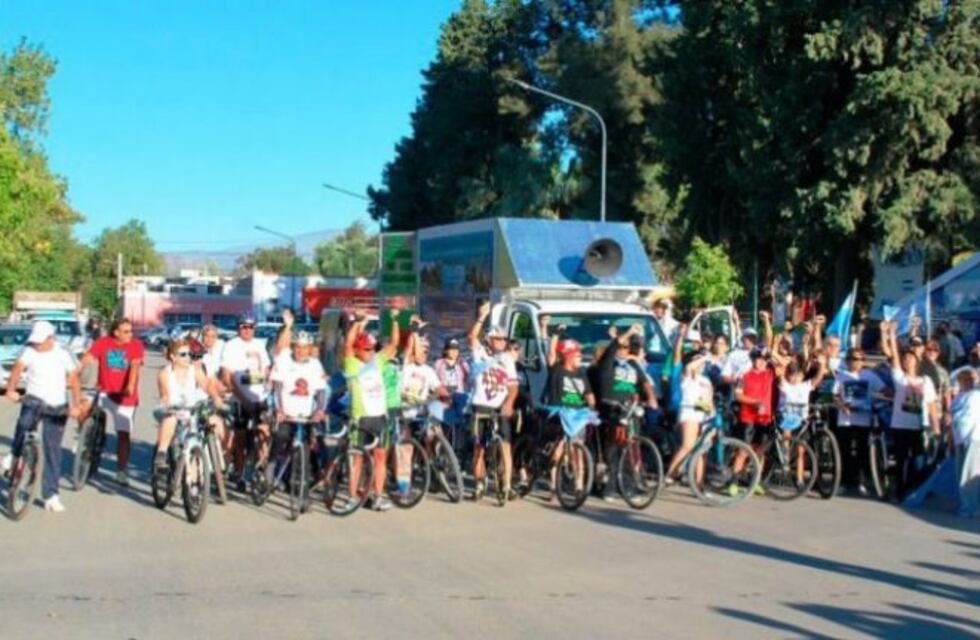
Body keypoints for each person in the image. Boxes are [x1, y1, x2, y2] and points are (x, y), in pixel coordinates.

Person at [1, 321, 82, 513]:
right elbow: (17, 370)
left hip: (57, 404)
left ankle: (51, 495)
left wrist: (76, 405)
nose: (37, 344)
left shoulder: (62, 352)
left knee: (53, 450)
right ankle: (14, 455)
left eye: (40, 341)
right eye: (35, 341)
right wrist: (11, 390)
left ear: (50, 338)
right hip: (34, 399)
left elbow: (74, 379)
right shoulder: (29, 351)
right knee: (24, 423)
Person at [78, 318, 145, 486]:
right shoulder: (103, 343)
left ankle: (121, 471)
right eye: (126, 331)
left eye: (131, 331)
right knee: (83, 407)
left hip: (124, 396)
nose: (130, 334)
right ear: (116, 332)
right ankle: (84, 438)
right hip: (104, 391)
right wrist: (74, 375)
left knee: (123, 434)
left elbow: (135, 367)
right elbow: (86, 359)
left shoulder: (136, 345)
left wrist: (129, 386)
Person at [592, 323, 656, 501]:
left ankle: (629, 486)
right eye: (622, 347)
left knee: (630, 447)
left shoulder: (633, 365)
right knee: (614, 447)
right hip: (612, 407)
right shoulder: (607, 363)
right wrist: (628, 333)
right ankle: (610, 488)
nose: (624, 350)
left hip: (630, 408)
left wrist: (651, 398)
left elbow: (645, 383)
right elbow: (614, 345)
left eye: (627, 348)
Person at [344, 314, 400, 511]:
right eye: (366, 349)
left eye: (372, 348)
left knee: (380, 457)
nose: (370, 352)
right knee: (357, 458)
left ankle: (377, 496)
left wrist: (394, 320)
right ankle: (352, 496)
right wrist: (358, 323)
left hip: (379, 417)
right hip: (361, 419)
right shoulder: (352, 364)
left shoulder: (377, 361)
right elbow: (348, 343)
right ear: (358, 350)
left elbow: (394, 344)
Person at [881, 321, 940, 500]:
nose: (907, 361)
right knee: (900, 460)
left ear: (916, 361)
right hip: (900, 426)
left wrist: (936, 427)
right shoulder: (900, 378)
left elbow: (931, 405)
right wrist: (891, 334)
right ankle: (898, 490)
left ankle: (914, 488)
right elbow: (895, 358)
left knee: (918, 460)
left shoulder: (925, 381)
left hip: (917, 426)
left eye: (910, 358)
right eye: (905, 359)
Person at [468, 301, 519, 501]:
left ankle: (506, 485)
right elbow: (472, 337)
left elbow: (513, 386)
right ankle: (480, 482)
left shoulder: (507, 359)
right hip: (481, 405)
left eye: (504, 340)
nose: (501, 342)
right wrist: (481, 317)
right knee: (479, 447)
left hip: (499, 407)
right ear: (489, 339)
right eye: (497, 339)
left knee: (505, 445)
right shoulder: (480, 353)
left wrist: (509, 403)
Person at [154, 339, 226, 470]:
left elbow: (206, 385)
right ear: (173, 357)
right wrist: (167, 403)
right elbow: (165, 394)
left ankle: (214, 460)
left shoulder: (195, 370)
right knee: (171, 419)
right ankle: (162, 452)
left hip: (191, 409)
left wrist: (216, 397)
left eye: (189, 354)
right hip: (172, 409)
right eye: (183, 355)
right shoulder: (164, 373)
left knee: (215, 422)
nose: (188, 358)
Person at [220, 314, 272, 487]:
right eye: (244, 326)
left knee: (264, 432)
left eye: (250, 327)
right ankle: (240, 471)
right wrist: (242, 398)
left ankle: (261, 471)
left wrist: (270, 382)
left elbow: (266, 369)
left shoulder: (260, 345)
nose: (247, 330)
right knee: (241, 438)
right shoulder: (231, 346)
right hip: (240, 399)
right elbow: (226, 376)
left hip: (260, 397)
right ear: (238, 328)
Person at [540, 336, 594, 496]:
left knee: (578, 451)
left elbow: (589, 394)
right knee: (558, 450)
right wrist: (555, 336)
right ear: (568, 356)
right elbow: (551, 355)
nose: (580, 358)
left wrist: (591, 406)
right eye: (577, 355)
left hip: (577, 416)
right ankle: (553, 487)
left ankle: (578, 486)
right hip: (560, 413)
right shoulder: (557, 370)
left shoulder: (581, 373)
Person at [833, 348, 887, 495]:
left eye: (857, 359)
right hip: (846, 420)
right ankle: (844, 481)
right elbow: (835, 395)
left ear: (863, 361)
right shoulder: (841, 376)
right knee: (845, 452)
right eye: (851, 359)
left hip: (863, 419)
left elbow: (885, 390)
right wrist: (842, 406)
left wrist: (883, 399)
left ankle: (859, 481)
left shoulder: (869, 375)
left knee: (862, 452)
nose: (854, 362)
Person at [271, 331, 328, 461]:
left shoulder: (315, 365)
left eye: (305, 347)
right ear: (293, 347)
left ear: (310, 349)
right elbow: (278, 388)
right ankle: (271, 467)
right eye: (298, 347)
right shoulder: (285, 361)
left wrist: (319, 410)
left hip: (307, 415)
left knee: (316, 443)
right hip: (287, 414)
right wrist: (279, 410)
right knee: (281, 436)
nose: (301, 351)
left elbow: (321, 391)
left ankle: (317, 474)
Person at [664, 351, 714, 485]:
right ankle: (670, 473)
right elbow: (689, 367)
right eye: (697, 360)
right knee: (688, 445)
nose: (701, 363)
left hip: (702, 416)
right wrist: (703, 357)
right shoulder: (687, 376)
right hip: (689, 412)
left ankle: (699, 484)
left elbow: (710, 401)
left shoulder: (706, 381)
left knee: (700, 450)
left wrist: (712, 420)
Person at [732, 347, 775, 483]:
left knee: (760, 452)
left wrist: (769, 353)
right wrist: (754, 402)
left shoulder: (770, 374)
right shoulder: (743, 375)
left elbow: (781, 363)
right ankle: (734, 481)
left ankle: (756, 482)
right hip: (748, 417)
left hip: (764, 418)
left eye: (764, 360)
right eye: (759, 359)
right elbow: (738, 395)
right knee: (743, 452)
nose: (762, 362)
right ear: (753, 359)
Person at [949, 368, 979, 517]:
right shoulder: (957, 398)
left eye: (972, 378)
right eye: (966, 378)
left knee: (970, 474)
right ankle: (967, 505)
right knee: (961, 474)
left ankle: (971, 508)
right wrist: (951, 441)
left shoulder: (977, 395)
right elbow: (952, 421)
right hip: (960, 440)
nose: (970, 381)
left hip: (975, 439)